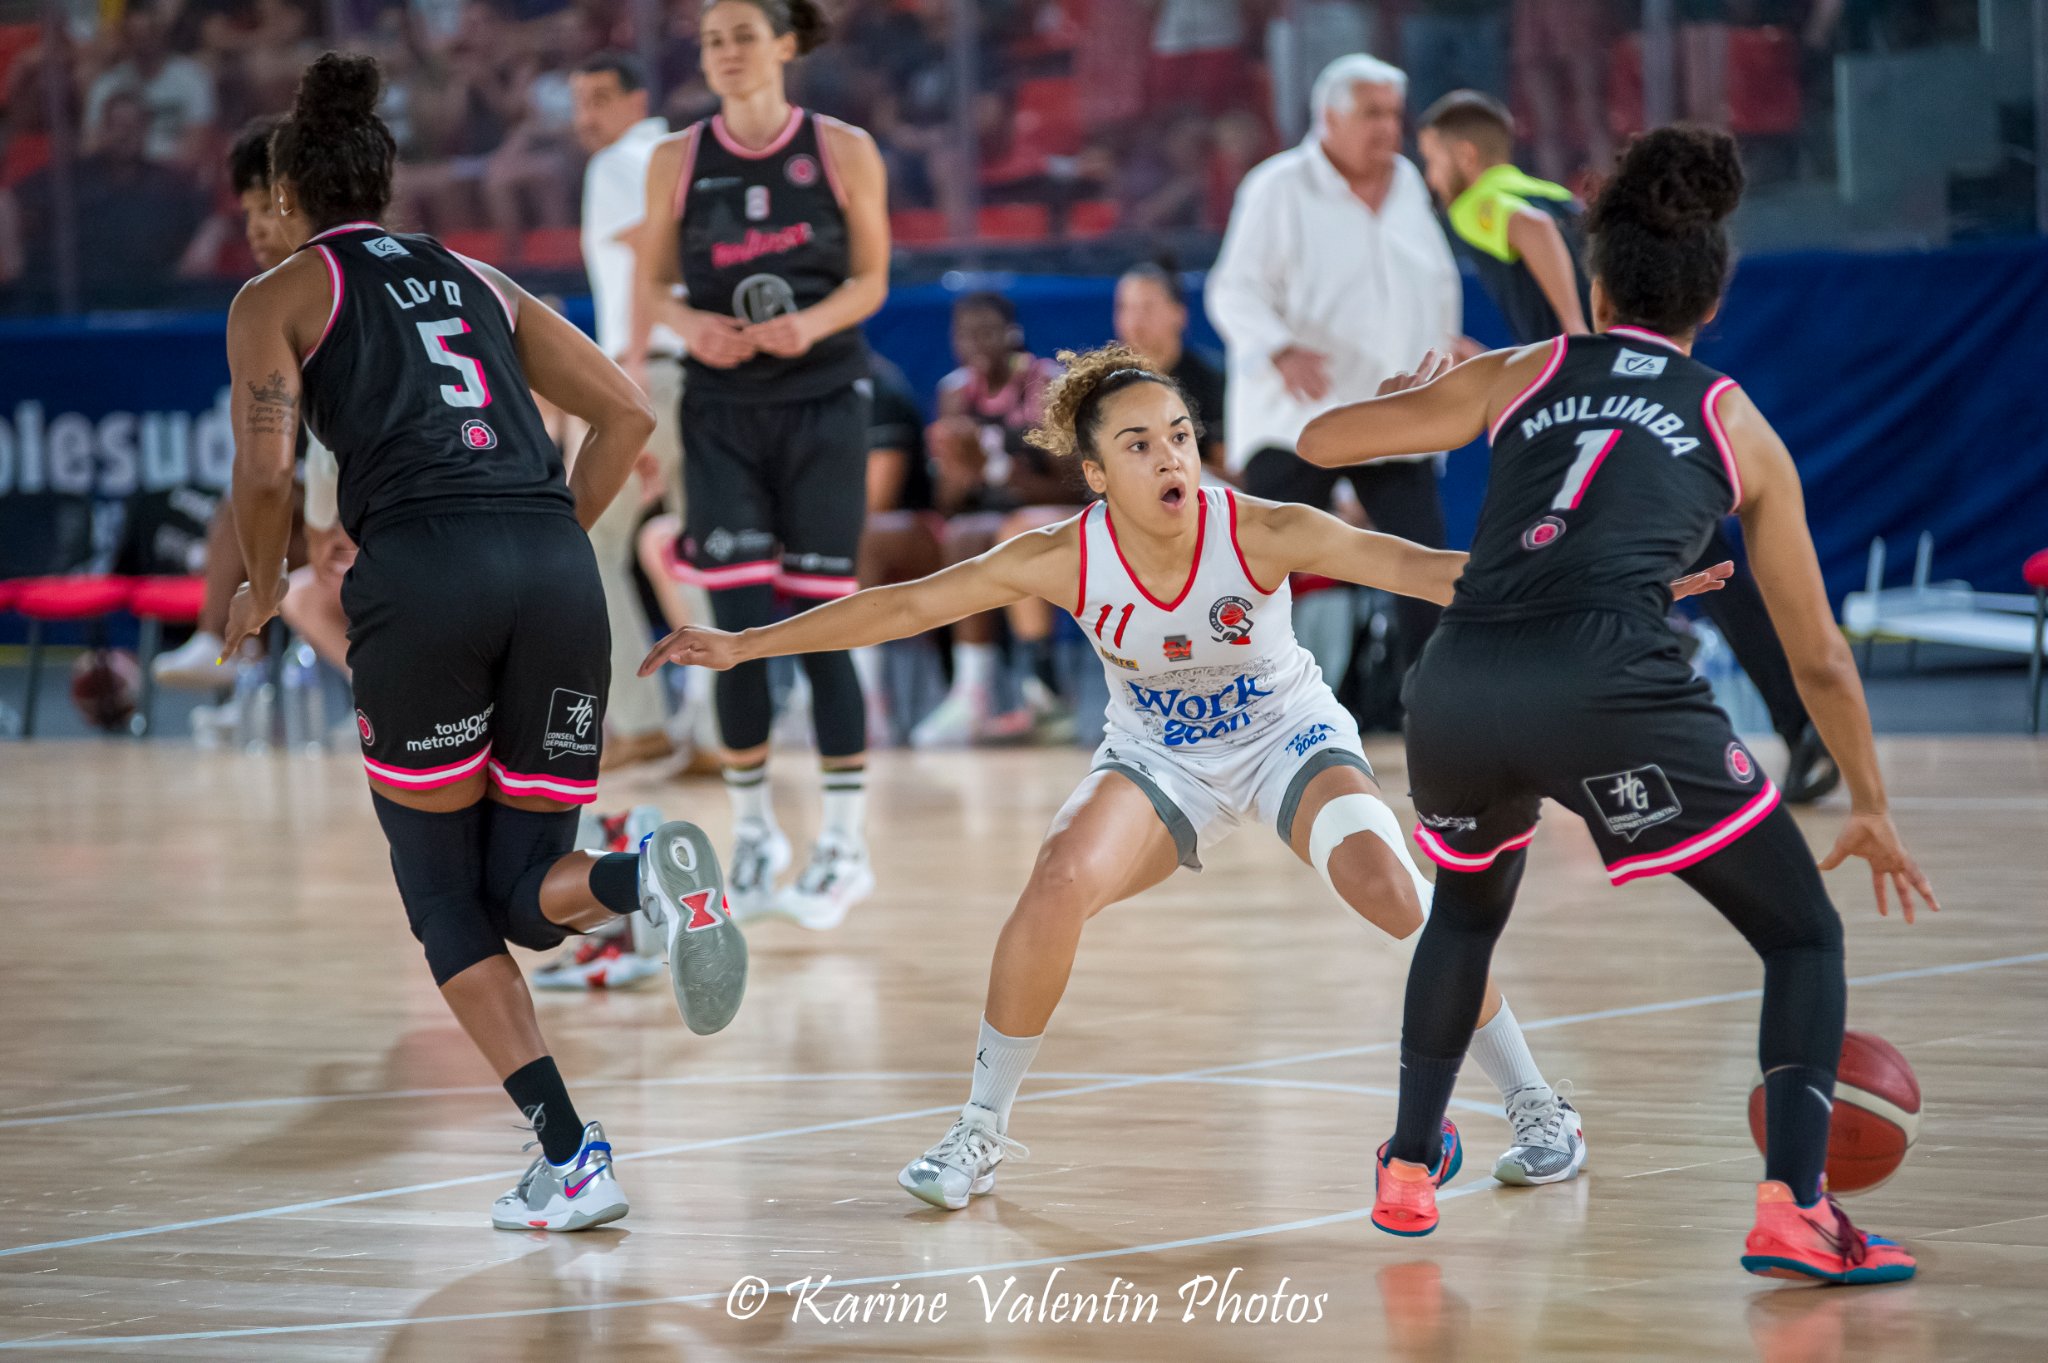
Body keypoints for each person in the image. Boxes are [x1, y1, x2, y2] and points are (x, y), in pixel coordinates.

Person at [640, 344, 1731, 1210]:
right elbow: (900, 606)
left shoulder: (1257, 527)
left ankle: (1540, 1110)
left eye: (1179, 435)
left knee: (1387, 884)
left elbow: (1428, 568)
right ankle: (977, 1129)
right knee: (1059, 874)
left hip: (1285, 734)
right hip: (1156, 755)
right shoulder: (1058, 552)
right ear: (1094, 469)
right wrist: (742, 646)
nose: (1170, 458)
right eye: (1140, 444)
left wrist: (1609, 582)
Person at [1296, 126, 1938, 1281]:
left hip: (1457, 678)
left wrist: (1415, 392)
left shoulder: (1522, 371)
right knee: (1799, 932)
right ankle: (1794, 1207)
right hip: (1604, 687)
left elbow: (1318, 439)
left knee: (1463, 913)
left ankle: (1403, 1167)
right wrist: (1872, 802)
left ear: (1595, 285)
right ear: (1711, 300)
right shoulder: (1731, 419)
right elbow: (1818, 657)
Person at [220, 52, 747, 1233]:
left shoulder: (279, 295)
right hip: (553, 568)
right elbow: (625, 409)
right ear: (388, 187)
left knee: (445, 902)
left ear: (293, 201)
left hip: (424, 573)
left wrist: (265, 586)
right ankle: (636, 878)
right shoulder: (481, 277)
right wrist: (553, 538)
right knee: (521, 893)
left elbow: (264, 469)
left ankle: (572, 1157)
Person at [1418, 89, 1837, 805]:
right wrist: (1519, 353)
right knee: (1700, 558)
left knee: (1564, 546)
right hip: (1633, 380)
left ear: (1464, 155)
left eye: (1430, 160)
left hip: (1601, 393)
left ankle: (1722, 681)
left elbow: (1536, 238)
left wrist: (1577, 336)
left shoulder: (1482, 198)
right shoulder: (1546, 189)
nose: (1429, 177)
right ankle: (1762, 704)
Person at [639, 0, 891, 930]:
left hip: (824, 404)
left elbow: (872, 280)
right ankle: (755, 833)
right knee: (734, 629)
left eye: (745, 33)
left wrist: (809, 325)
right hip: (720, 413)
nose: (728, 52)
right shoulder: (676, 159)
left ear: (787, 43)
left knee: (826, 624)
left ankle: (844, 845)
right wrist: (688, 325)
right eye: (712, 39)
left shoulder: (841, 148)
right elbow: (652, 291)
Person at [1206, 54, 1465, 686]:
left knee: (1424, 566)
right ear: (1328, 117)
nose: (1387, 128)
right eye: (1371, 114)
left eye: (1392, 114)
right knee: (1257, 567)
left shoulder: (1407, 181)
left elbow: (1430, 283)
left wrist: (1447, 345)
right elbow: (1231, 291)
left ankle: (1435, 708)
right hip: (1300, 415)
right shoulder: (1277, 186)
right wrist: (1279, 348)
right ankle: (1227, 696)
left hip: (1394, 411)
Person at [570, 50, 697, 774]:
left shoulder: (622, 160)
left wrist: (631, 376)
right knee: (696, 546)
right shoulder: (676, 157)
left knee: (591, 544)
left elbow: (654, 251)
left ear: (636, 99)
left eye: (598, 98)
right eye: (579, 103)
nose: (586, 118)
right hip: (698, 369)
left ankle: (641, 722)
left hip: (652, 372)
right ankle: (720, 728)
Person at [153, 116, 312, 688]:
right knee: (262, 517)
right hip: (333, 515)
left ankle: (223, 647)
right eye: (246, 214)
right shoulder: (278, 301)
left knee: (256, 493)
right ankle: (241, 666)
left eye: (266, 210)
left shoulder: (307, 298)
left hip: (380, 510)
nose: (254, 229)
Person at [897, 291, 1074, 748]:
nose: (974, 341)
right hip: (988, 521)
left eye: (986, 329)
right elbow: (949, 503)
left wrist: (993, 466)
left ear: (1012, 334)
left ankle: (1045, 689)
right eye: (963, 332)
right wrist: (957, 469)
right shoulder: (954, 392)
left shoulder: (1045, 383)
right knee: (960, 534)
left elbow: (1075, 483)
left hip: (1053, 508)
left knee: (1011, 532)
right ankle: (973, 690)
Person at [1112, 260, 1227, 476]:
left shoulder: (1211, 379)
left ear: (1178, 314)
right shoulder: (1108, 384)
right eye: (1125, 308)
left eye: (1147, 307)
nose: (1135, 321)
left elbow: (1230, 469)